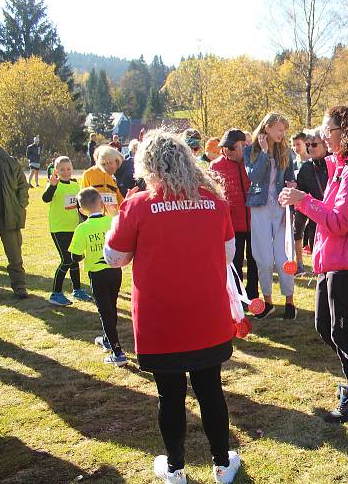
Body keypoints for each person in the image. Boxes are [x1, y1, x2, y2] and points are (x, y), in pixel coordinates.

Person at [104, 130, 241, 483]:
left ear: (146, 165)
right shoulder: (214, 201)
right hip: (207, 314)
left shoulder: (136, 204)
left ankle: (176, 468)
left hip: (159, 318)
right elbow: (228, 254)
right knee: (211, 390)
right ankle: (222, 464)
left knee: (170, 394)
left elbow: (114, 257)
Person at [278, 105, 348, 423]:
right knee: (325, 327)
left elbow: (339, 222)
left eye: (329, 130)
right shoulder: (343, 167)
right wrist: (304, 198)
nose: (323, 134)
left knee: (342, 331)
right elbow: (332, 211)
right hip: (334, 259)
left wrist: (304, 202)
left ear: (345, 132)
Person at [244, 113, 297, 321]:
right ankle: (268, 302)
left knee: (284, 256)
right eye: (279, 129)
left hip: (281, 208)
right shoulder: (251, 151)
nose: (282, 134)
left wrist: (292, 185)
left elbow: (291, 178)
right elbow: (253, 177)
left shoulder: (286, 151)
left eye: (284, 130)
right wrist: (265, 154)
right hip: (259, 208)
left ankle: (290, 302)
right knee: (263, 258)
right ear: (267, 128)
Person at [69, 188, 125, 366]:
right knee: (112, 305)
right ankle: (109, 340)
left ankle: (118, 353)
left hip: (97, 274)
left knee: (104, 312)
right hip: (115, 271)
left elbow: (75, 256)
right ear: (101, 204)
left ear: (81, 209)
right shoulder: (111, 222)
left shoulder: (82, 228)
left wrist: (84, 255)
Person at [210, 129, 259, 300]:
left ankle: (253, 295)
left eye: (232, 147)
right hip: (231, 225)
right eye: (225, 148)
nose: (228, 151)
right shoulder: (216, 166)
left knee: (254, 260)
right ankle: (238, 296)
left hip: (254, 222)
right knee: (235, 262)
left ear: (243, 145)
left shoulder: (253, 161)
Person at [43, 156, 92, 306]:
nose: (66, 172)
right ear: (56, 171)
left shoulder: (75, 184)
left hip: (74, 227)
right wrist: (52, 186)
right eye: (62, 169)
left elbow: (79, 206)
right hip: (59, 229)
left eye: (69, 169)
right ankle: (56, 293)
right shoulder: (54, 184)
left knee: (75, 258)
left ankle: (77, 290)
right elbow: (46, 198)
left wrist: (86, 217)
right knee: (66, 260)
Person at [0, 144, 30, 300]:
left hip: (8, 216)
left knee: (15, 255)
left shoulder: (10, 162)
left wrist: (20, 204)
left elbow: (23, 185)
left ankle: (19, 286)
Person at [294, 134, 329, 276]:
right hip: (315, 218)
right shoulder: (306, 168)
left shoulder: (335, 164)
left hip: (334, 215)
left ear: (325, 145)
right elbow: (301, 194)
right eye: (308, 145)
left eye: (314, 145)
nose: (310, 148)